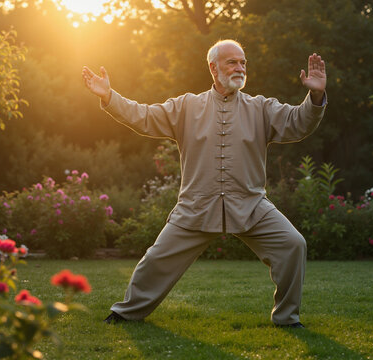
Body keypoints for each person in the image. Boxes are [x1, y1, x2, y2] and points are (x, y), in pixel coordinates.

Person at [82, 39, 327, 328]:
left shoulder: (260, 108)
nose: (239, 67)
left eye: (243, 62)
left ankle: (287, 318)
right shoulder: (186, 106)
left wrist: (316, 96)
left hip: (250, 204)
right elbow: (144, 116)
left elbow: (298, 122)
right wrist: (110, 97)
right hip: (196, 205)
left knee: (292, 244)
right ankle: (127, 312)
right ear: (213, 67)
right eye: (232, 62)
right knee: (156, 260)